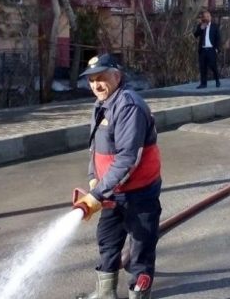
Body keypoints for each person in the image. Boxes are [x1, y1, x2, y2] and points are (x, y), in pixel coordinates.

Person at [73, 54, 162, 299]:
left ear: (117, 76)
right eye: (91, 80)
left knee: (141, 247)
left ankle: (138, 295)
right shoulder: (102, 104)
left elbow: (127, 158)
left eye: (101, 78)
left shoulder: (128, 106)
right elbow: (95, 147)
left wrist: (98, 193)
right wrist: (94, 178)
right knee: (108, 241)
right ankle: (106, 294)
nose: (96, 85)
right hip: (112, 191)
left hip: (139, 192)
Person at [192, 10, 221, 89]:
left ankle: (217, 80)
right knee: (202, 67)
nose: (207, 18)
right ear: (203, 18)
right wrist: (201, 29)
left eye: (208, 16)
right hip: (203, 50)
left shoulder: (215, 26)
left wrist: (217, 49)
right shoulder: (201, 26)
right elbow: (195, 35)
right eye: (205, 17)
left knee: (213, 66)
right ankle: (203, 84)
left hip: (211, 49)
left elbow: (218, 38)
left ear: (210, 17)